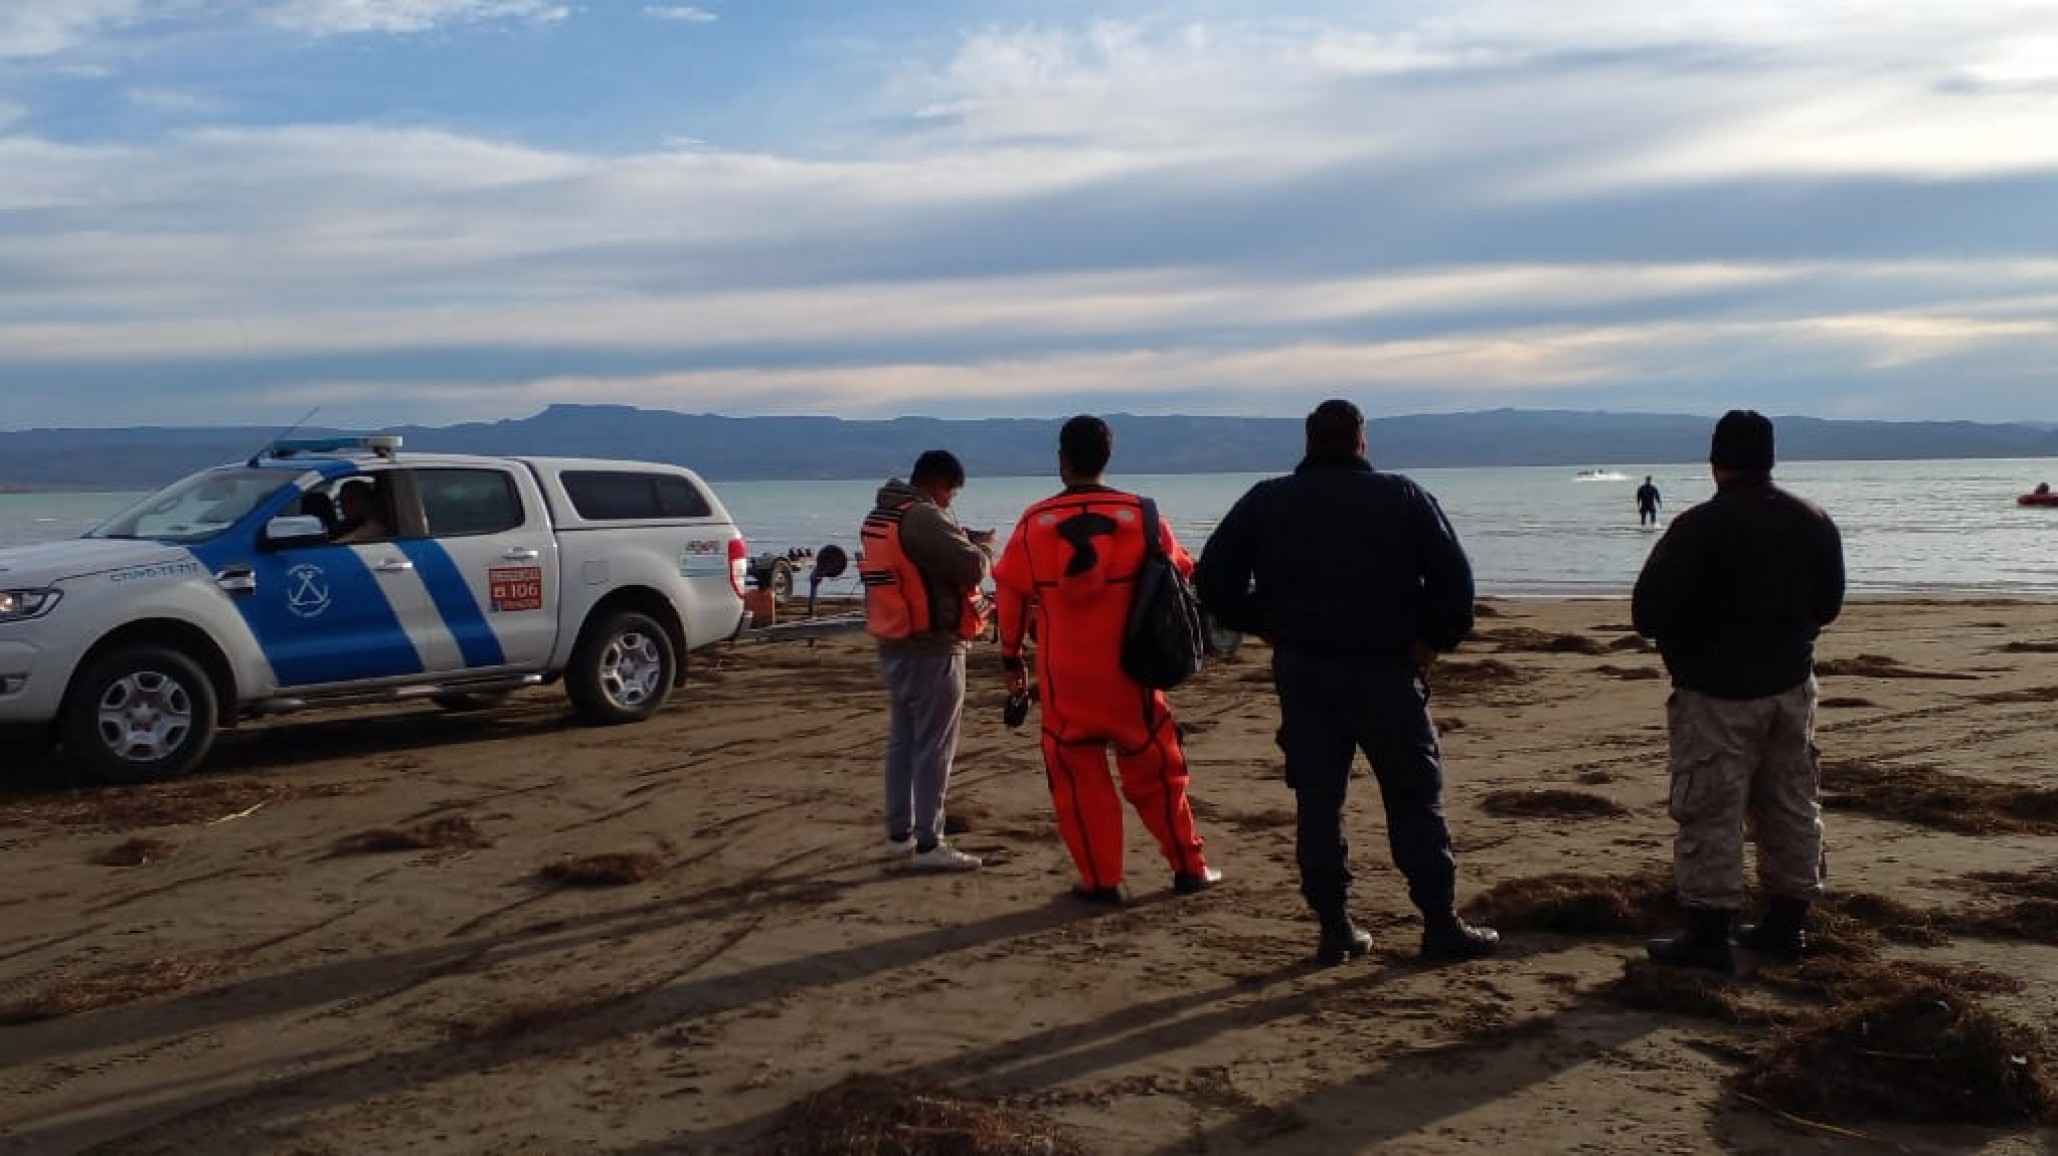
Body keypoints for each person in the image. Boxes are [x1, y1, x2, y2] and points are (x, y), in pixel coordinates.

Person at [1193, 400, 1498, 965]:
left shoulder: (1268, 500)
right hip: (1384, 667)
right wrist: (1433, 638)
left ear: (1309, 444)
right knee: (1414, 798)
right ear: (1362, 442)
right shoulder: (1401, 496)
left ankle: (1335, 927)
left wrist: (1268, 621)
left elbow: (1212, 582)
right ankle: (1438, 922)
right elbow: (1456, 582)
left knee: (1319, 801)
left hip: (1307, 670)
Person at [1634, 410, 1846, 971]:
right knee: (1791, 799)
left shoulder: (1699, 526)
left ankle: (1709, 929)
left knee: (1709, 806)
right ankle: (1786, 922)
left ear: (1715, 461)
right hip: (1791, 686)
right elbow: (1828, 604)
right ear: (1771, 458)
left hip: (1715, 690)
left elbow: (1648, 612)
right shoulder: (1814, 520)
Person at [993, 415, 1218, 904]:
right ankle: (1189, 867)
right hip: (1132, 671)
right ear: (1107, 458)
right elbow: (1182, 571)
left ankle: (1100, 879)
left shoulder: (1034, 522)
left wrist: (1012, 661)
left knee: (1077, 780)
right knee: (1159, 770)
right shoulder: (1144, 514)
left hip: (1066, 675)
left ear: (1062, 460)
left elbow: (1010, 595)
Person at [860, 450, 994, 871]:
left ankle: (900, 834)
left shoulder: (884, 513)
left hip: (895, 644)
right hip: (932, 648)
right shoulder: (922, 516)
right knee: (935, 747)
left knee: (904, 741)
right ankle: (929, 843)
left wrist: (957, 537)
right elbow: (971, 569)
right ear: (938, 484)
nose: (950, 501)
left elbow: (922, 556)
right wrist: (984, 548)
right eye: (950, 493)